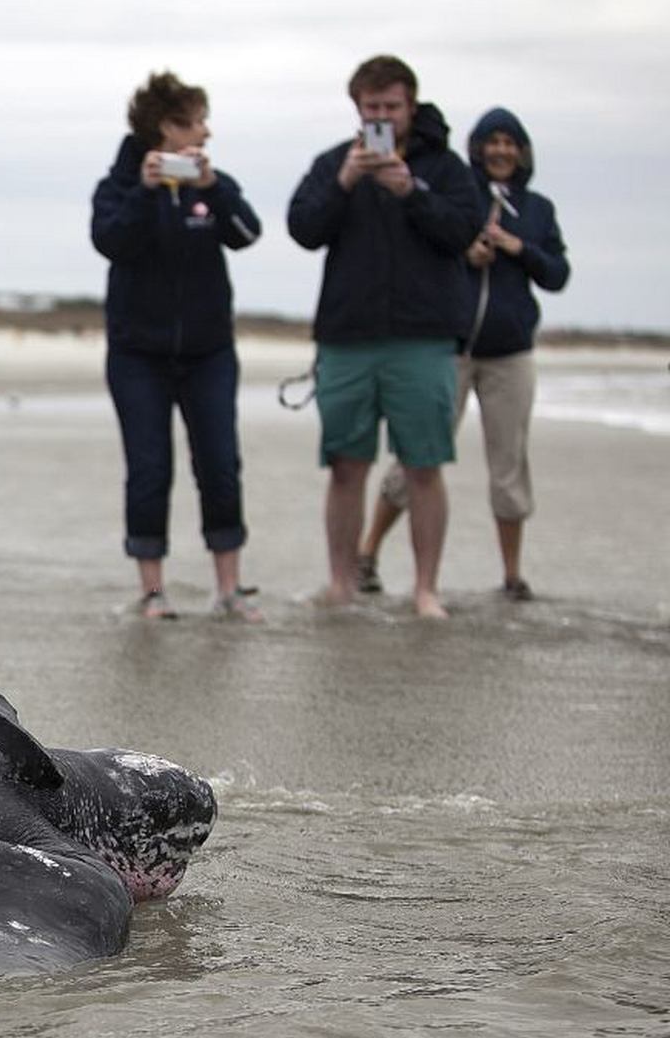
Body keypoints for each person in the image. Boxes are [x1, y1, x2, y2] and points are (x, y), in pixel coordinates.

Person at [287, 56, 478, 618]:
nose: (382, 117)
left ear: (411, 106)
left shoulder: (444, 168)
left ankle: (425, 589)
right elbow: (303, 227)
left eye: (392, 107)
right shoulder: (333, 163)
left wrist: (411, 190)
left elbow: (463, 231)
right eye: (372, 108)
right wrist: (346, 182)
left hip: (424, 338)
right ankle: (341, 583)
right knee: (346, 465)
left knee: (423, 465)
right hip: (348, 337)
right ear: (357, 109)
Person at [357, 107, 570, 602]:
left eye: (509, 143)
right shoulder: (459, 191)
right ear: (476, 149)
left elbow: (557, 274)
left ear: (522, 151)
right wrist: (465, 253)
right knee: (417, 456)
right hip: (448, 347)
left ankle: (512, 574)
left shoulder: (537, 209)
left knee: (509, 464)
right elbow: (433, 239)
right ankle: (367, 552)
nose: (500, 151)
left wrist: (519, 247)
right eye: (491, 142)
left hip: (511, 354)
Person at [91, 72, 264, 621]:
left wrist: (214, 188)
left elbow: (248, 232)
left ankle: (230, 590)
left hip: (209, 351)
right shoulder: (118, 187)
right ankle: (152, 591)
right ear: (165, 127)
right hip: (136, 353)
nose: (205, 132)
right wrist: (144, 192)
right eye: (195, 121)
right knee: (149, 467)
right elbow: (110, 241)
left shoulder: (212, 187)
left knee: (219, 464)